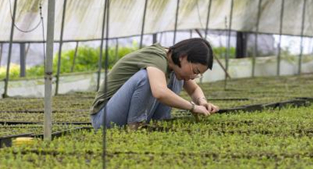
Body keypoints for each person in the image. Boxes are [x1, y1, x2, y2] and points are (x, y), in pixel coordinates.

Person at [90, 37, 219, 130]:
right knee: (145, 77)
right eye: (195, 71)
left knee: (177, 77)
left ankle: (160, 122)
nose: (193, 76)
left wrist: (202, 102)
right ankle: (135, 125)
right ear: (183, 57)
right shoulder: (157, 58)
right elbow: (160, 93)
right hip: (104, 118)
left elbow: (194, 89)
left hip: (122, 115)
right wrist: (193, 107)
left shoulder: (174, 64)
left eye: (198, 74)